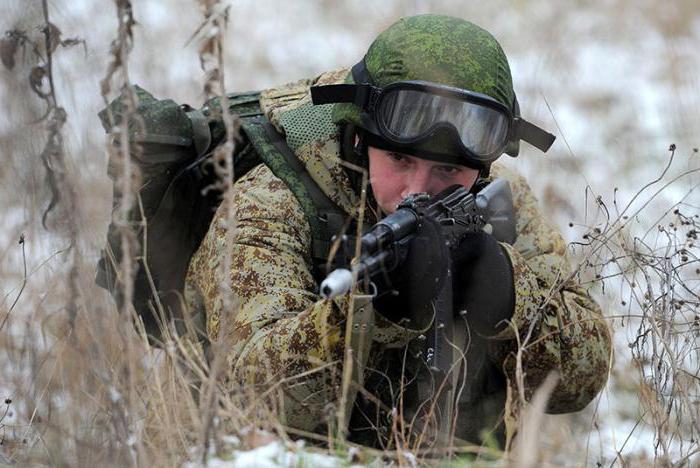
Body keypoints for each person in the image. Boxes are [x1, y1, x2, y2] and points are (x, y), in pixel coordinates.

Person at [181, 15, 611, 450]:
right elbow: (252, 393)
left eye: (448, 169)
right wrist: (372, 313)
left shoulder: (502, 197)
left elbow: (582, 382)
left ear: (481, 168)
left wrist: (510, 297)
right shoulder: (271, 201)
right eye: (399, 160)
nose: (417, 190)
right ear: (358, 139)